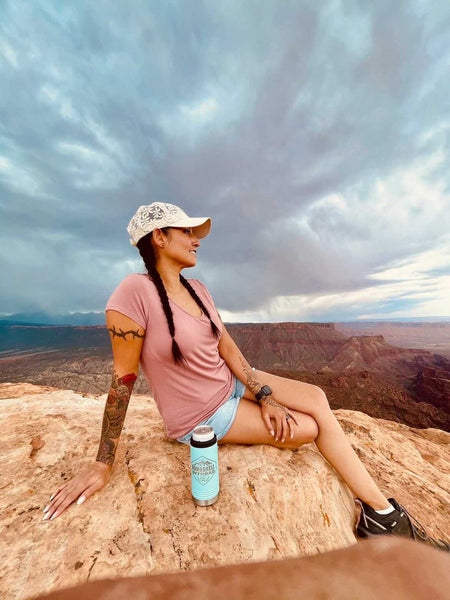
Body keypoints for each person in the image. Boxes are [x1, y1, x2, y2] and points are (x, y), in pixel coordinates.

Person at [43, 202, 448, 551]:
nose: (196, 240)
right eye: (187, 232)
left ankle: (381, 513)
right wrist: (103, 463)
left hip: (233, 383)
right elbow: (123, 378)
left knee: (317, 397)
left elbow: (229, 350)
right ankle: (384, 515)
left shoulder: (198, 288)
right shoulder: (133, 293)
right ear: (159, 237)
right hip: (203, 415)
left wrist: (265, 395)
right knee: (307, 429)